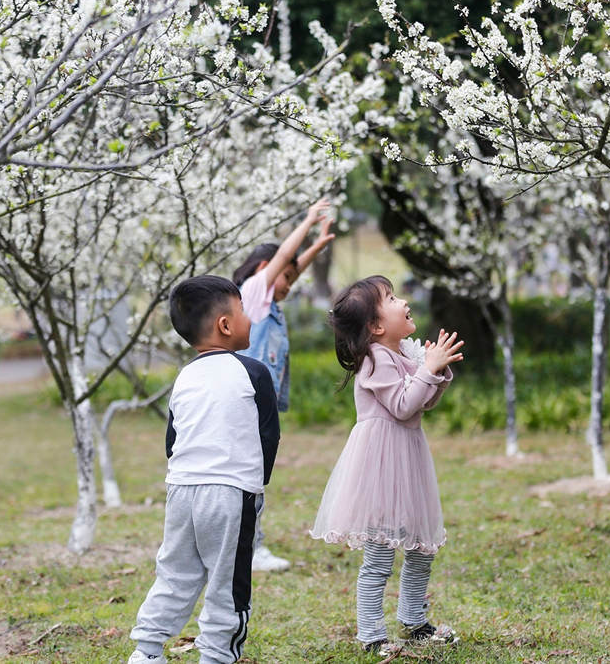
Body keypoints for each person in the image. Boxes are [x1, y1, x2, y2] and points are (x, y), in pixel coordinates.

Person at [128, 276, 280, 664]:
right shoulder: (254, 372)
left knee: (175, 572)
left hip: (181, 490)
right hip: (230, 494)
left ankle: (146, 650)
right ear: (225, 325)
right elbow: (268, 435)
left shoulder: (184, 376)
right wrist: (256, 485)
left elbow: (171, 439)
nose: (249, 318)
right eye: (243, 311)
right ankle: (216, 656)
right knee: (228, 582)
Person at [309, 276, 463, 655]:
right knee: (380, 551)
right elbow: (401, 406)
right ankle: (371, 632)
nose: (403, 300)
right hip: (381, 464)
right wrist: (428, 369)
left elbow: (422, 402)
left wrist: (435, 371)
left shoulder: (400, 355)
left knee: (420, 546)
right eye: (392, 298)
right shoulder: (376, 358)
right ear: (377, 327)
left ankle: (413, 618)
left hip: (407, 458)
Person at [232, 198, 335, 572]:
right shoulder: (252, 297)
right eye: (287, 278)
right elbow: (281, 263)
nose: (291, 285)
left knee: (254, 477)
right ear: (265, 269)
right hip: (248, 405)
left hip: (261, 408)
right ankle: (251, 549)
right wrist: (307, 221)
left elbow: (289, 266)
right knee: (250, 479)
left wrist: (317, 247)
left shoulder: (268, 304)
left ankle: (247, 546)